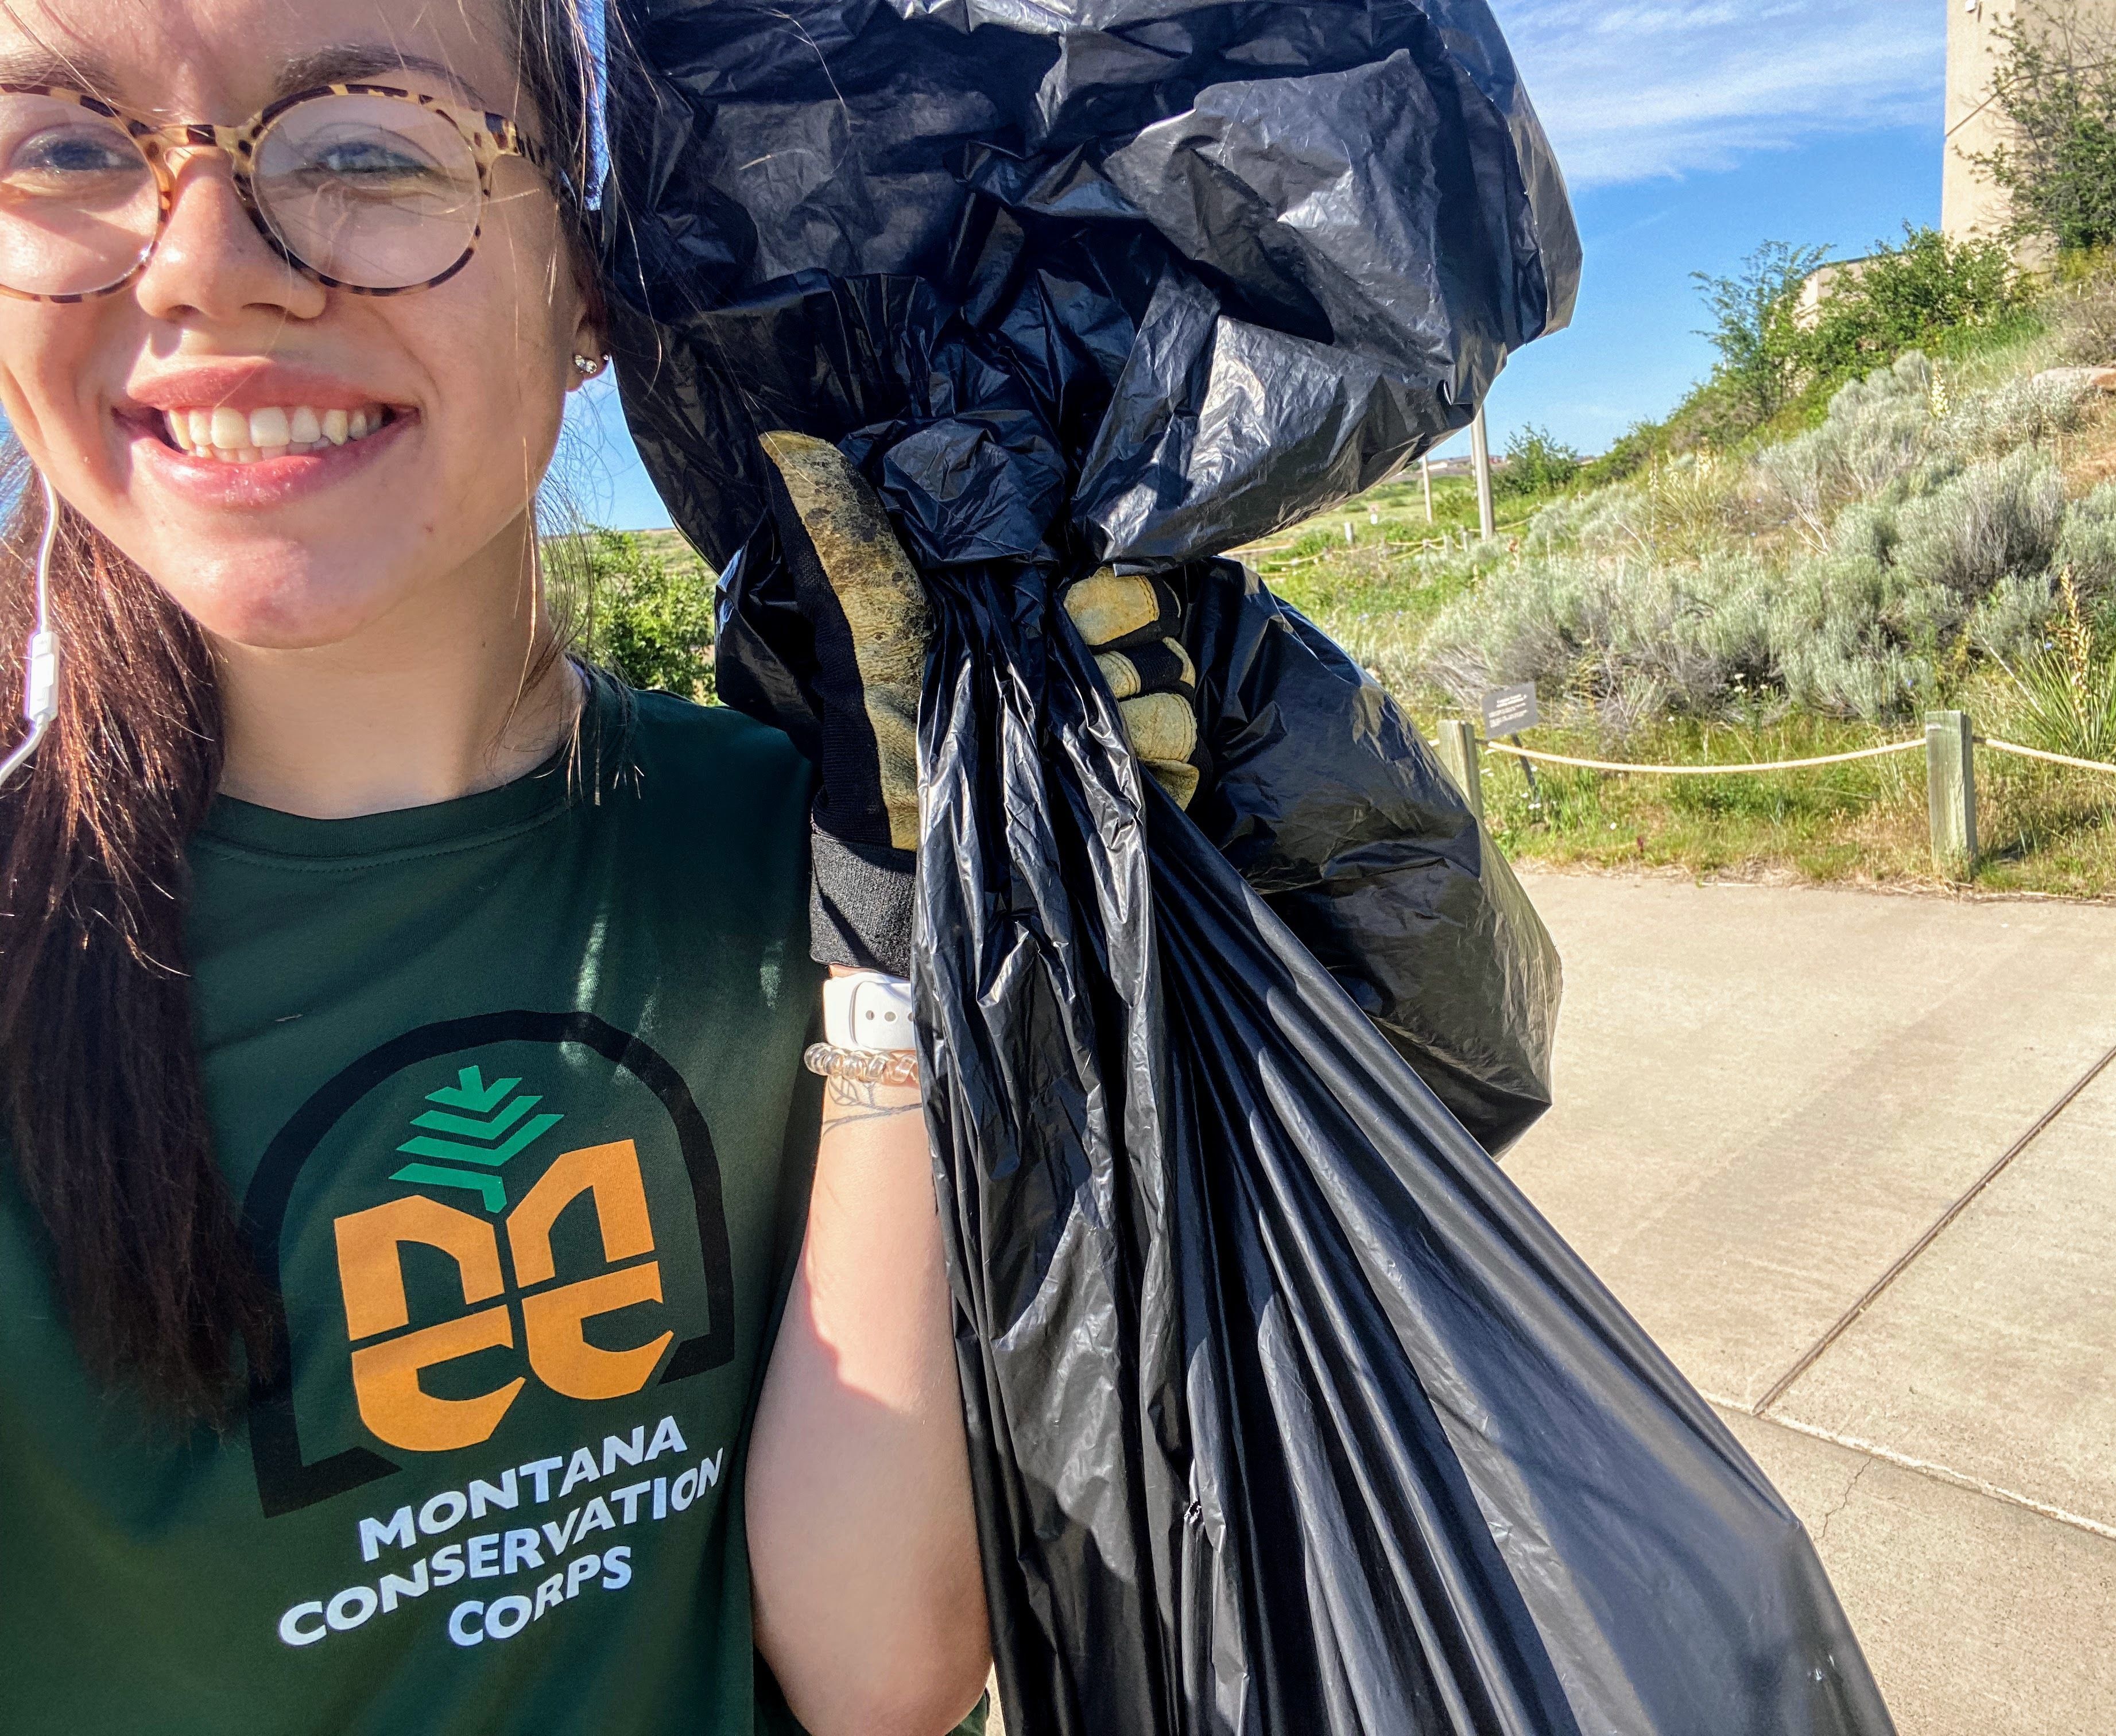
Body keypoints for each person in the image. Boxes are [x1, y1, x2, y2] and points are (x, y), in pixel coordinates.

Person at [0, 1, 1214, 1729]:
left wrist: (909, 946)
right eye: (63, 149)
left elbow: (882, 1674)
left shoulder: (792, 836)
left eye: (364, 144)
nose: (203, 268)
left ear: (590, 288)